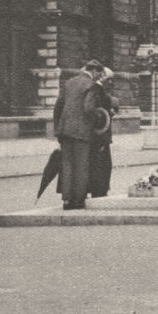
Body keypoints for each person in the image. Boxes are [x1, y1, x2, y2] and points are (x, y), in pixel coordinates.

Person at [53, 59, 104, 210]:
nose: (99, 77)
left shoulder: (69, 83)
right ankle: (78, 200)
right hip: (82, 132)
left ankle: (67, 200)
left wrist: (58, 129)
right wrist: (99, 116)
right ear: (94, 71)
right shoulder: (91, 85)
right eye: (99, 74)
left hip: (65, 131)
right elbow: (88, 108)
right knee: (81, 165)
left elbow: (58, 107)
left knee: (67, 165)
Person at [89, 67, 119, 198]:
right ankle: (100, 191)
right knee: (102, 164)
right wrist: (111, 109)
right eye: (109, 80)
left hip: (101, 134)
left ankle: (100, 190)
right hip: (100, 135)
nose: (111, 83)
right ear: (102, 77)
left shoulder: (99, 90)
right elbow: (98, 112)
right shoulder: (97, 90)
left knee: (102, 164)